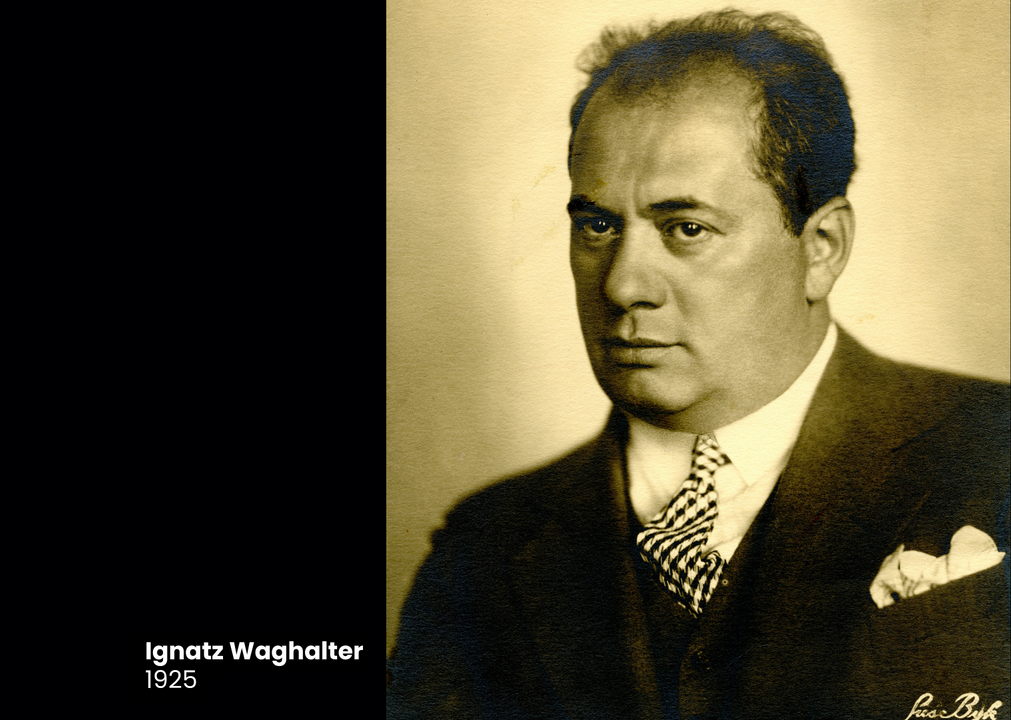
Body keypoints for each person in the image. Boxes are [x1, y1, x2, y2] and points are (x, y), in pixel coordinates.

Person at [386, 9, 1009, 720]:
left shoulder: (995, 456)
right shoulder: (482, 551)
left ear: (822, 247)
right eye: (598, 225)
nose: (623, 284)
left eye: (686, 228)